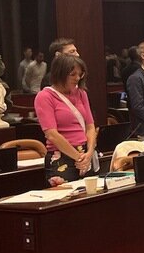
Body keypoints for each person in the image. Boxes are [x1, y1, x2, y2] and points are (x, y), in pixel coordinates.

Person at [35, 54, 97, 185]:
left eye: (80, 74)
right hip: (61, 157)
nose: (77, 78)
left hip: (85, 155)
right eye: (72, 74)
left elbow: (90, 126)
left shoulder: (81, 93)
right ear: (60, 73)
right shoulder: (45, 96)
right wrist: (78, 157)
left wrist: (90, 152)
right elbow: (51, 134)